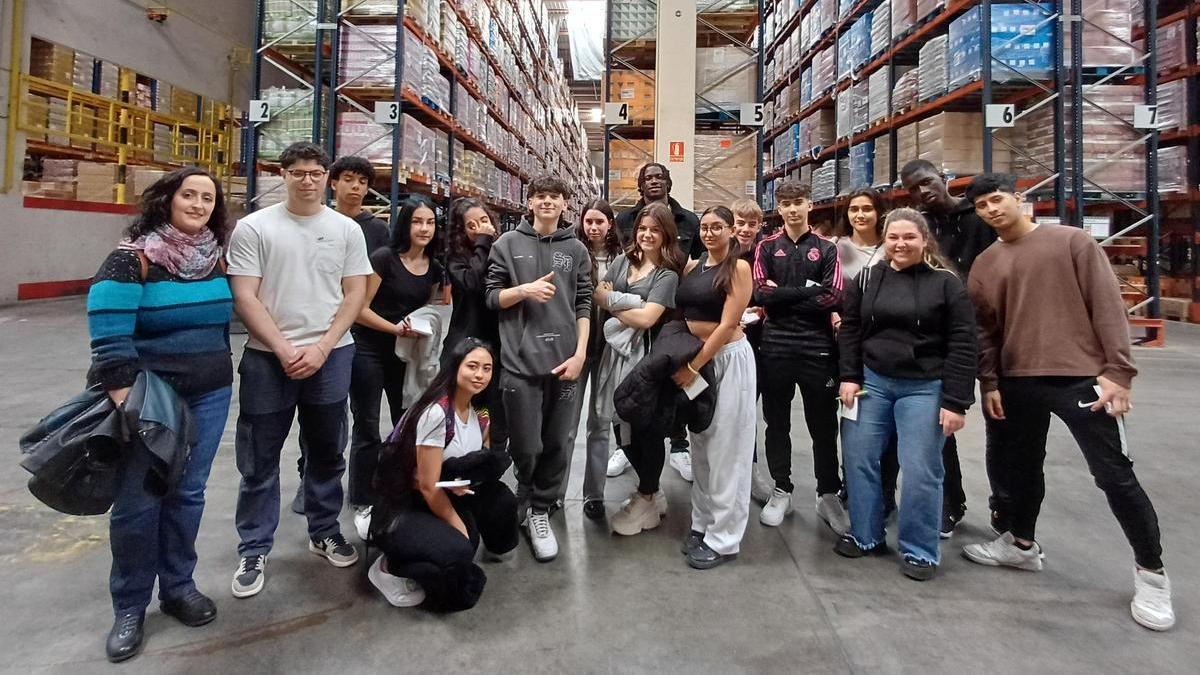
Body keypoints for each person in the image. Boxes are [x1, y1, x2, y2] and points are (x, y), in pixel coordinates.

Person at [960, 174, 1174, 631]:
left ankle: (1152, 575)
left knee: (1114, 475)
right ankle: (1020, 545)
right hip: (1016, 382)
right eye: (981, 206)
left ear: (1019, 199)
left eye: (997, 200)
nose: (991, 210)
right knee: (1018, 469)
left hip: (1080, 379)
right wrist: (990, 382)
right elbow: (985, 333)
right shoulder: (985, 263)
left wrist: (1118, 371)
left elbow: (1107, 305)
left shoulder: (1072, 242)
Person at [86, 167, 234, 662]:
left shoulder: (215, 258)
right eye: (188, 195)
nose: (198, 204)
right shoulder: (134, 257)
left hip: (210, 392)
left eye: (207, 198)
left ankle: (178, 588)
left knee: (188, 493)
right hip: (151, 398)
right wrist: (124, 397)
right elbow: (108, 332)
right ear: (167, 200)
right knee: (138, 501)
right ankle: (129, 606)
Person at [226, 141, 372, 599]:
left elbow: (353, 295)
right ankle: (254, 545)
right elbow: (245, 295)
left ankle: (324, 529)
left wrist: (324, 346)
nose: (307, 180)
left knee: (328, 450)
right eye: (297, 172)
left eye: (315, 172)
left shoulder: (346, 230)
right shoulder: (254, 227)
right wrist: (284, 347)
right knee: (259, 457)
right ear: (281, 175)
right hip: (267, 358)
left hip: (332, 355)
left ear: (326, 176)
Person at [834, 208, 978, 581]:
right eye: (893, 237)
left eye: (909, 237)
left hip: (924, 387)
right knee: (859, 458)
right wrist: (849, 376)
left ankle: (919, 550)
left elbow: (963, 343)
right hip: (872, 382)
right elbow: (850, 330)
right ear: (884, 240)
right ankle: (865, 534)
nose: (900, 244)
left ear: (924, 240)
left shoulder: (946, 283)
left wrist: (955, 400)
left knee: (920, 469)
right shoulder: (866, 279)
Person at [484, 175, 592, 562]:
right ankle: (524, 495)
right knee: (527, 445)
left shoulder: (577, 249)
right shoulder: (507, 244)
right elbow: (492, 297)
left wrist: (580, 354)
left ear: (566, 204)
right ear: (529, 203)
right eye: (541, 196)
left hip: (565, 363)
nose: (548, 202)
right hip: (519, 363)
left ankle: (540, 509)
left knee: (558, 442)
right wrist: (524, 291)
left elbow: (583, 304)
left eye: (555, 197)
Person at [367, 338, 518, 611]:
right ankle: (389, 566)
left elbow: (468, 465)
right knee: (458, 551)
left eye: (487, 368)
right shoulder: (436, 413)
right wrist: (458, 527)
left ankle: (455, 544)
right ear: (455, 366)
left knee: (498, 502)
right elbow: (427, 486)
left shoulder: (480, 411)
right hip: (405, 504)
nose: (480, 375)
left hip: (442, 492)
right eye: (472, 366)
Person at [900, 159, 998, 536]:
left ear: (943, 178)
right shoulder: (922, 227)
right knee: (940, 424)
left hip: (985, 333)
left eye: (926, 182)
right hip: (939, 336)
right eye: (913, 188)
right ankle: (949, 502)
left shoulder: (980, 220)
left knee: (1002, 426)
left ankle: (1005, 510)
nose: (922, 191)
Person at [291, 155, 389, 516]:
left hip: (362, 337)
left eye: (362, 182)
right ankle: (311, 479)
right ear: (333, 183)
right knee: (320, 416)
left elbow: (381, 281)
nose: (356, 187)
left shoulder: (377, 230)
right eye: (348, 179)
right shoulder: (313, 221)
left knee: (366, 417)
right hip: (317, 330)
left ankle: (362, 490)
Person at [752, 181, 848, 535]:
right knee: (776, 423)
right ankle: (782, 489)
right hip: (775, 345)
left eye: (799, 203)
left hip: (817, 347)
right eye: (786, 204)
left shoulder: (827, 249)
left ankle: (827, 495)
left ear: (810, 205)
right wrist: (807, 292)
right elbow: (761, 293)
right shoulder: (767, 247)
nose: (793, 209)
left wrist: (784, 296)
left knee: (823, 425)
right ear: (778, 208)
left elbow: (834, 297)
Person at [347, 196, 444, 541]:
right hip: (370, 348)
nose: (424, 229)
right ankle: (361, 498)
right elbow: (358, 309)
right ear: (405, 224)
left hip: (406, 354)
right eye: (417, 221)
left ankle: (398, 487)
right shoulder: (384, 259)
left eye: (430, 222)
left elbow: (431, 306)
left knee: (407, 422)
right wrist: (394, 329)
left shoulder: (434, 266)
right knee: (368, 426)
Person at [674, 205, 756, 569]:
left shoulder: (737, 268)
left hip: (725, 360)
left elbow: (727, 325)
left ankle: (724, 538)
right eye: (705, 227)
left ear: (730, 231)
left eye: (717, 227)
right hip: (698, 361)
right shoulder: (694, 267)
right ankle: (703, 523)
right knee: (702, 444)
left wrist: (694, 365)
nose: (709, 233)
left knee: (728, 450)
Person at [597, 202, 684, 534]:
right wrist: (632, 303)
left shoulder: (667, 274)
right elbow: (598, 292)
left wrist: (615, 302)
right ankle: (653, 493)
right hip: (615, 357)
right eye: (643, 229)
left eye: (655, 230)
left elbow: (649, 319)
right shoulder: (622, 261)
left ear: (666, 234)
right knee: (621, 427)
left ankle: (646, 493)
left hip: (645, 361)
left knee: (645, 428)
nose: (647, 235)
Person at [614, 162, 702, 479]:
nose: (654, 181)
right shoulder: (623, 219)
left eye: (659, 177)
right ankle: (623, 448)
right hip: (633, 314)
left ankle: (679, 446)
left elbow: (700, 263)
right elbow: (617, 264)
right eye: (647, 178)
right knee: (629, 379)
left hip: (673, 314)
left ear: (668, 182)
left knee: (671, 378)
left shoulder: (689, 220)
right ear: (640, 185)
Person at [835, 187, 898, 516]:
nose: (860, 215)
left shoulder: (892, 249)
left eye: (867, 209)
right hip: (845, 346)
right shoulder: (838, 249)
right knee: (853, 422)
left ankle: (887, 491)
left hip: (883, 349)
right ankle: (854, 485)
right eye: (854, 209)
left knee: (888, 428)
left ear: (879, 212)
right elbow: (830, 292)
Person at [569, 199, 628, 520]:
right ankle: (554, 494)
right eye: (589, 221)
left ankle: (594, 494)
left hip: (608, 350)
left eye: (600, 222)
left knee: (600, 423)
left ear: (610, 225)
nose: (594, 227)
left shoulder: (623, 259)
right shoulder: (573, 253)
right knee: (566, 426)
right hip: (576, 349)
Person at [442, 197, 508, 466]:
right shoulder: (457, 258)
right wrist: (483, 242)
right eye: (472, 225)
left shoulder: (505, 250)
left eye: (484, 221)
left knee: (496, 409)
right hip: (466, 342)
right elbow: (472, 282)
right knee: (464, 406)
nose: (480, 227)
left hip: (499, 342)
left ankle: (493, 462)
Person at [730, 198, 775, 504]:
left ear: (760, 226)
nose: (746, 229)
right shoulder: (722, 250)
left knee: (750, 407)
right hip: (725, 337)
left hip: (760, 340)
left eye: (752, 224)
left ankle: (751, 468)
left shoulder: (767, 253)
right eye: (740, 223)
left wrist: (764, 307)